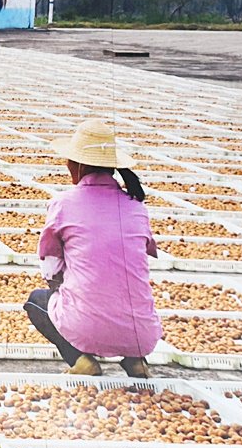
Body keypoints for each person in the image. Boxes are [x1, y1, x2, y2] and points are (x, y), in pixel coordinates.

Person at [25, 119, 162, 378]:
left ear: (77, 165)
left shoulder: (64, 204)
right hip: (141, 333)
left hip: (87, 326)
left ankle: (81, 360)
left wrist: (68, 289)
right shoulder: (137, 207)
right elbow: (137, 258)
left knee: (37, 301)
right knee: (123, 291)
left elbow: (51, 269)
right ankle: (136, 361)